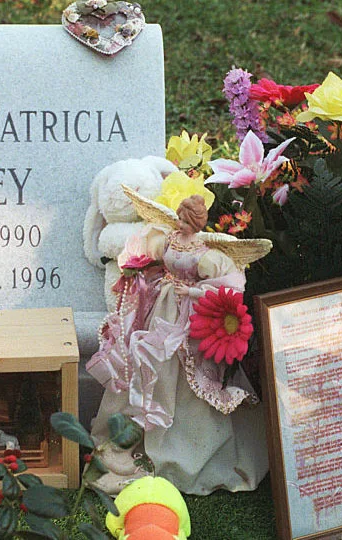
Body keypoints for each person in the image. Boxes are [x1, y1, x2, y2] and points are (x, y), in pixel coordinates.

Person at [86, 193, 268, 495]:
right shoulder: (168, 238)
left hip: (188, 318)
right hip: (161, 306)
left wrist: (194, 292)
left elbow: (230, 288)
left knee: (180, 374)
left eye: (187, 220)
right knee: (149, 359)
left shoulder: (208, 254)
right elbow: (147, 255)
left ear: (197, 223)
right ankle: (137, 434)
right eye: (180, 218)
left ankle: (181, 446)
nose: (182, 224)